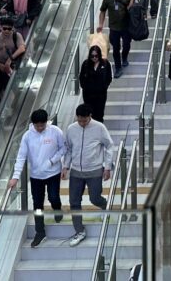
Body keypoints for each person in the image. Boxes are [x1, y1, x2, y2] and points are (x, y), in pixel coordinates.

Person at [9, 109, 66, 248]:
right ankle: (40, 232)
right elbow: (21, 156)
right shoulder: (27, 136)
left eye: (42, 125)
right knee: (37, 204)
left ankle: (57, 209)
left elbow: (63, 148)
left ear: (47, 122)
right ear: (33, 124)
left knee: (53, 197)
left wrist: (52, 161)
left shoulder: (55, 131)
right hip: (36, 176)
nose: (40, 128)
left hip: (53, 173)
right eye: (37, 125)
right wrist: (15, 177)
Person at [62, 104, 114, 247]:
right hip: (76, 171)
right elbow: (69, 149)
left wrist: (107, 167)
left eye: (85, 120)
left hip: (95, 170)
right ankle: (79, 231)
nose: (82, 123)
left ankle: (106, 206)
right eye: (79, 120)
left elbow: (109, 146)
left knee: (94, 198)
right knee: (74, 202)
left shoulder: (99, 127)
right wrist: (65, 166)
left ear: (90, 116)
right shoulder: (71, 129)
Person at [97, 0, 132, 78]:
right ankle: (118, 68)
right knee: (116, 48)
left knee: (126, 45)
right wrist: (101, 24)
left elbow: (131, 10)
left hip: (126, 27)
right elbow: (102, 11)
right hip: (113, 28)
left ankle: (124, 57)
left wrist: (132, 3)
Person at [0, 18, 26, 96]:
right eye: (4, 28)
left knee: (11, 87)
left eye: (9, 29)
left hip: (12, 67)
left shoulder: (16, 36)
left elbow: (22, 48)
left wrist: (10, 60)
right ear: (0, 27)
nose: (7, 31)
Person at [79, 45, 113, 122]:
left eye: (96, 56)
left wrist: (104, 86)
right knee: (89, 113)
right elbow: (81, 77)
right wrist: (85, 87)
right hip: (88, 94)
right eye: (92, 56)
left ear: (99, 55)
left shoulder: (105, 63)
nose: (94, 58)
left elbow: (109, 77)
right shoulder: (86, 64)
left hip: (100, 94)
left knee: (99, 113)